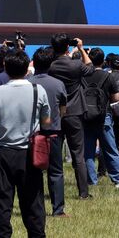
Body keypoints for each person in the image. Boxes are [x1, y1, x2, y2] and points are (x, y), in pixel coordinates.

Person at [0, 48, 52, 238]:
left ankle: (4, 235)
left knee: (1, 200)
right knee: (33, 199)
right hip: (29, 151)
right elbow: (46, 121)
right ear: (27, 69)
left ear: (5, 67)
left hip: (3, 151)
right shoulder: (37, 90)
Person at [47, 35, 92, 201]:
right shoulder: (75, 64)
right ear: (67, 47)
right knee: (78, 155)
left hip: (55, 113)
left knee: (55, 155)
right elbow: (90, 68)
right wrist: (80, 48)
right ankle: (83, 192)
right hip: (74, 112)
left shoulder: (50, 66)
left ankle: (55, 191)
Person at [27, 47, 68, 217]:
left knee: (32, 172)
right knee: (56, 172)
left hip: (32, 134)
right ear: (51, 64)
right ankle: (58, 209)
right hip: (53, 133)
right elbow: (63, 109)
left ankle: (33, 207)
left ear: (34, 63)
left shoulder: (28, 82)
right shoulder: (58, 84)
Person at [80, 47, 119, 188]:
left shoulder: (83, 76)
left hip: (86, 116)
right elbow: (116, 98)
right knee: (110, 149)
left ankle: (91, 181)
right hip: (104, 116)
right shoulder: (108, 76)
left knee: (88, 151)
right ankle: (118, 180)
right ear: (104, 61)